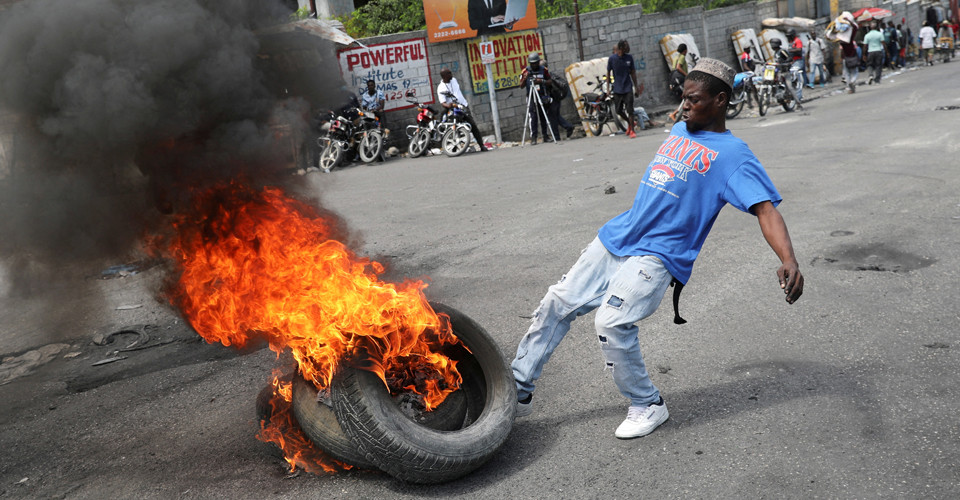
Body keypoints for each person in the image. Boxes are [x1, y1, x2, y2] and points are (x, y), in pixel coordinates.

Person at [510, 58, 804, 440]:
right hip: (619, 236)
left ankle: (648, 404)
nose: (684, 106)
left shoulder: (734, 155)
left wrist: (788, 259)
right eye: (683, 97)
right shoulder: (681, 128)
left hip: (659, 255)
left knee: (611, 322)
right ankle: (516, 390)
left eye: (693, 100)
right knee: (554, 303)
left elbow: (765, 209)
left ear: (720, 100)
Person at [436, 67, 488, 151]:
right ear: (444, 76)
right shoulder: (441, 88)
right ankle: (453, 146)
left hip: (463, 106)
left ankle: (481, 145)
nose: (451, 74)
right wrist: (449, 105)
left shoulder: (454, 80)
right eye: (449, 73)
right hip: (452, 109)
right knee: (450, 126)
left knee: (473, 125)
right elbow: (443, 103)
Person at [606, 40, 642, 138]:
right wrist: (608, 88)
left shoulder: (629, 58)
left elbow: (633, 73)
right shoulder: (612, 59)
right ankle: (630, 124)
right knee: (618, 110)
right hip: (617, 88)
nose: (628, 49)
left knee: (630, 110)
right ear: (621, 48)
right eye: (626, 47)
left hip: (627, 88)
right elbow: (608, 74)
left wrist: (636, 87)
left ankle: (632, 131)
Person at [518, 52, 554, 144]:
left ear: (538, 62)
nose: (534, 65)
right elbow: (521, 85)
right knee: (533, 116)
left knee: (543, 115)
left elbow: (550, 81)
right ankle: (533, 137)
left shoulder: (544, 70)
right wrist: (525, 79)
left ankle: (545, 136)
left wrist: (541, 81)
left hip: (541, 95)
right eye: (532, 63)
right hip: (530, 95)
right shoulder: (525, 71)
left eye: (536, 63)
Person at [668, 44, 689, 122]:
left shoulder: (675, 57)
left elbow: (673, 70)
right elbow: (678, 67)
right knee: (687, 98)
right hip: (681, 82)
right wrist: (687, 75)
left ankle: (678, 114)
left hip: (675, 82)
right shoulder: (682, 57)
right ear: (685, 50)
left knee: (685, 98)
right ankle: (674, 114)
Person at [785, 29, 807, 95]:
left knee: (797, 76)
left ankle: (800, 93)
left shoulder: (797, 41)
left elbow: (799, 49)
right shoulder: (790, 41)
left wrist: (790, 51)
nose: (789, 37)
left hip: (798, 60)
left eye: (790, 36)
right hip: (793, 61)